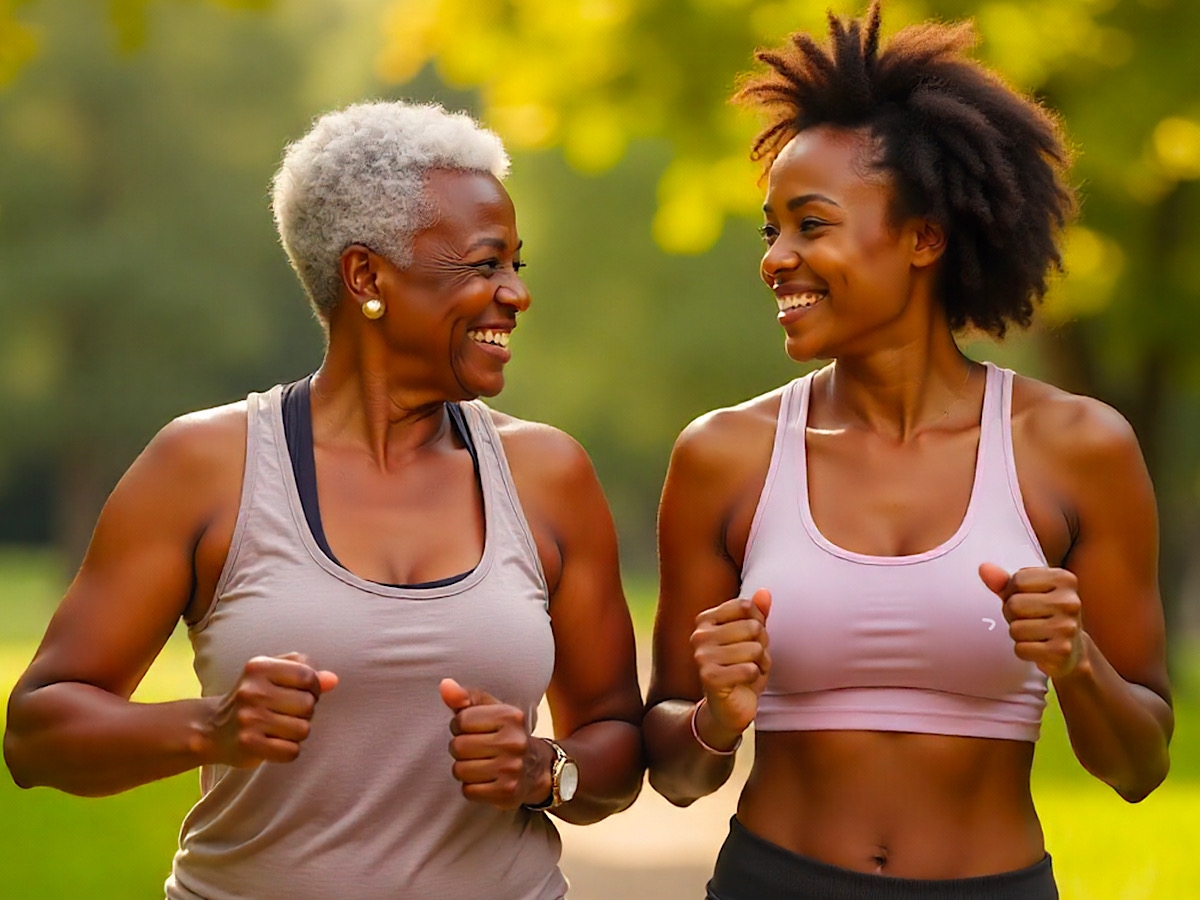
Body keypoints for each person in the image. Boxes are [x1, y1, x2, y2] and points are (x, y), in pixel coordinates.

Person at [4, 100, 643, 900]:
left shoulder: (548, 475)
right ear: (367, 276)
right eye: (485, 265)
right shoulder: (206, 466)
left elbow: (617, 742)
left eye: (517, 264)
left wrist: (547, 770)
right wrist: (209, 728)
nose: (515, 294)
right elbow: (36, 733)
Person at [643, 4, 1172, 898]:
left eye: (811, 225)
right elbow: (672, 773)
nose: (775, 258)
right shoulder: (723, 456)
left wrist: (1078, 660)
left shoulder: (1077, 448)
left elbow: (1139, 768)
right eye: (768, 229)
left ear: (925, 237)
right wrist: (714, 719)